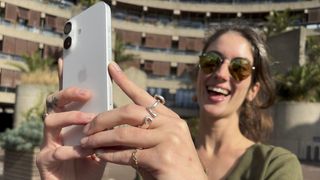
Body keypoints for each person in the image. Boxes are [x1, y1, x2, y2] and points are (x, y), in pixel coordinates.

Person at [36, 24, 303, 180]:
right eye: (211, 61)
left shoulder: (275, 166)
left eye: (239, 68)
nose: (221, 74)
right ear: (199, 72)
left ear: (254, 89)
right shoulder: (156, 153)